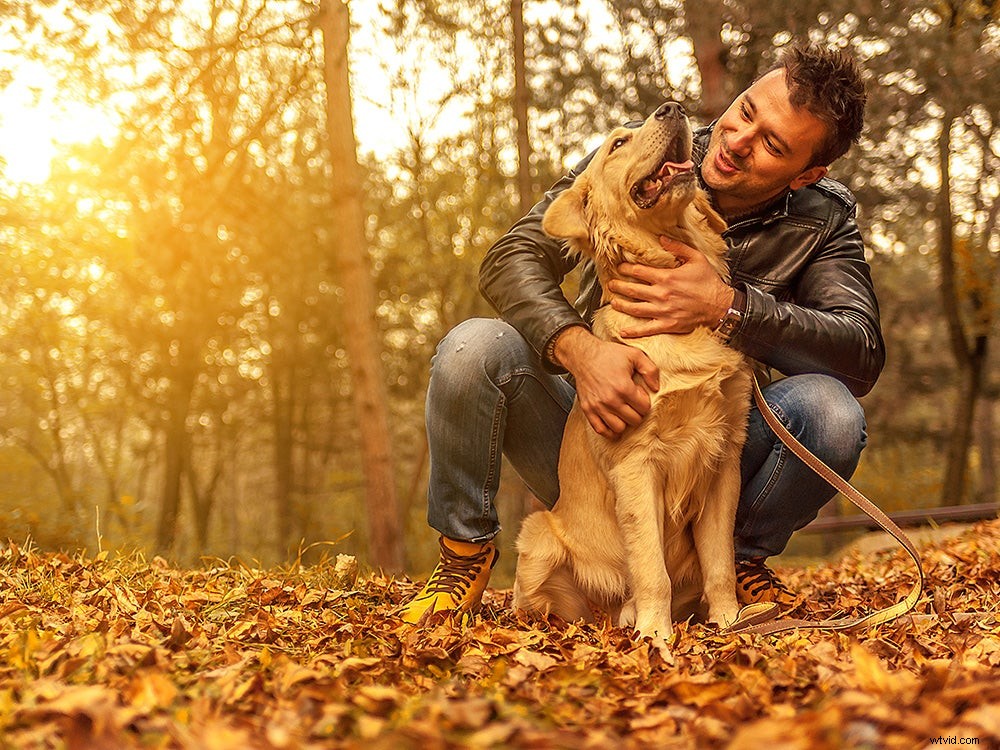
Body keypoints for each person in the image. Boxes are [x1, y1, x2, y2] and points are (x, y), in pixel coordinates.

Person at [401, 43, 884, 624]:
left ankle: (737, 565)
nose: (735, 141)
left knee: (831, 412)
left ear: (807, 173)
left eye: (771, 144)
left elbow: (859, 351)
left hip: (712, 435)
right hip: (593, 416)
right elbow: (512, 257)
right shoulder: (650, 151)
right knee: (473, 348)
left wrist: (728, 305)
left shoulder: (824, 220)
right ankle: (463, 555)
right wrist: (581, 352)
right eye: (746, 110)